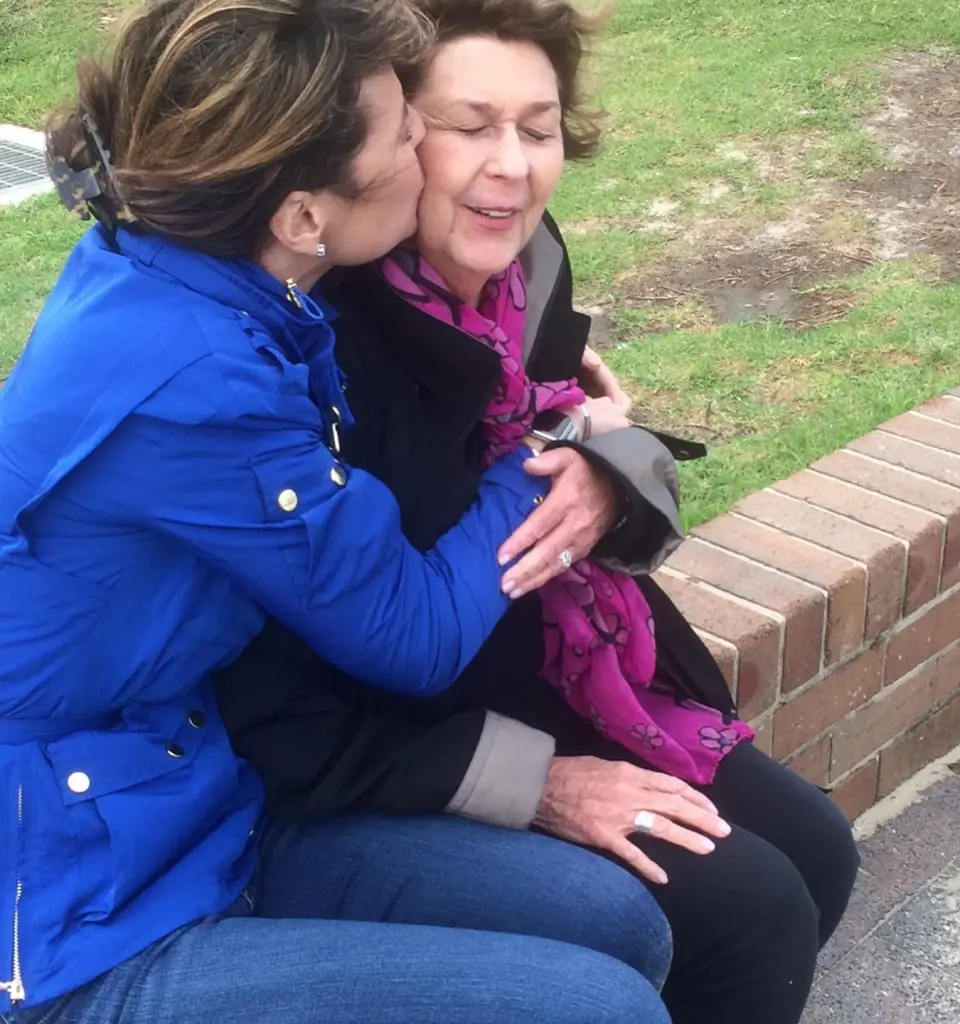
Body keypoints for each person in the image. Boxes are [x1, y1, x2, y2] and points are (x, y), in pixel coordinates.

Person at [0, 1, 681, 1021]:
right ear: (306, 217)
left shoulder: (193, 276)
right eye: (408, 132)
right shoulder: (197, 381)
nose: (427, 143)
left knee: (620, 919)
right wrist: (560, 446)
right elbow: (412, 632)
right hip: (75, 916)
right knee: (597, 1006)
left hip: (186, 805)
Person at [215, 1, 862, 1022]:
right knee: (748, 913)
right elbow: (277, 705)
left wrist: (612, 462)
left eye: (539, 127)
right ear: (385, 141)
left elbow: (598, 461)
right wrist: (545, 782)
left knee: (818, 849)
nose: (511, 167)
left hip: (550, 664)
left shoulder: (525, 272)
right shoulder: (324, 351)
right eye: (468, 126)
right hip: (381, 749)